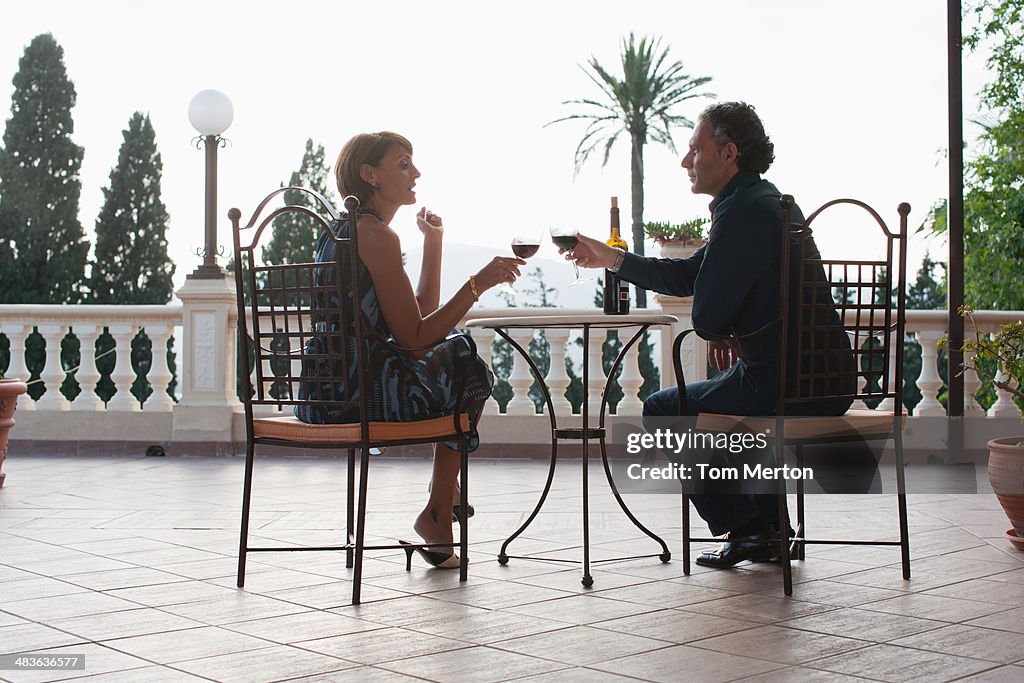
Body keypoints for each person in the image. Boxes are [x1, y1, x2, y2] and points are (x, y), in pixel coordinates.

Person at [565, 102, 862, 568]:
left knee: (664, 408)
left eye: (694, 148)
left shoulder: (742, 213)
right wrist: (613, 259)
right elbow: (692, 278)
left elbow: (705, 318)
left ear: (728, 153)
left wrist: (721, 324)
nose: (686, 161)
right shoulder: (765, 201)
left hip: (781, 383)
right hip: (824, 378)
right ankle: (770, 530)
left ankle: (747, 529)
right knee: (721, 411)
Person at [296, 131, 525, 568]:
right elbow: (416, 337)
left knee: (455, 351)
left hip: (322, 395)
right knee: (467, 363)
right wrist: (479, 283)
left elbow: (417, 315)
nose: (415, 172)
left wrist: (434, 243)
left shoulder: (343, 231)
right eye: (403, 164)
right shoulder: (376, 235)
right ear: (370, 175)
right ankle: (438, 510)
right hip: (362, 398)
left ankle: (443, 502)